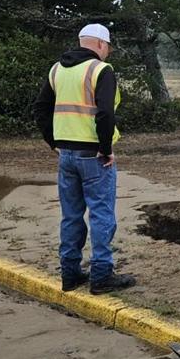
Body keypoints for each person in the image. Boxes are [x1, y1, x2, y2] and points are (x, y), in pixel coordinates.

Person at [33, 23, 136, 295]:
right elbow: (105, 114)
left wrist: (53, 141)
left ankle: (70, 273)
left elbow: (41, 108)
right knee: (102, 214)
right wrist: (106, 147)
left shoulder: (57, 69)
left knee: (71, 215)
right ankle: (102, 275)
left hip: (66, 155)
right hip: (94, 155)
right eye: (108, 48)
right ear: (101, 45)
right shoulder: (101, 70)